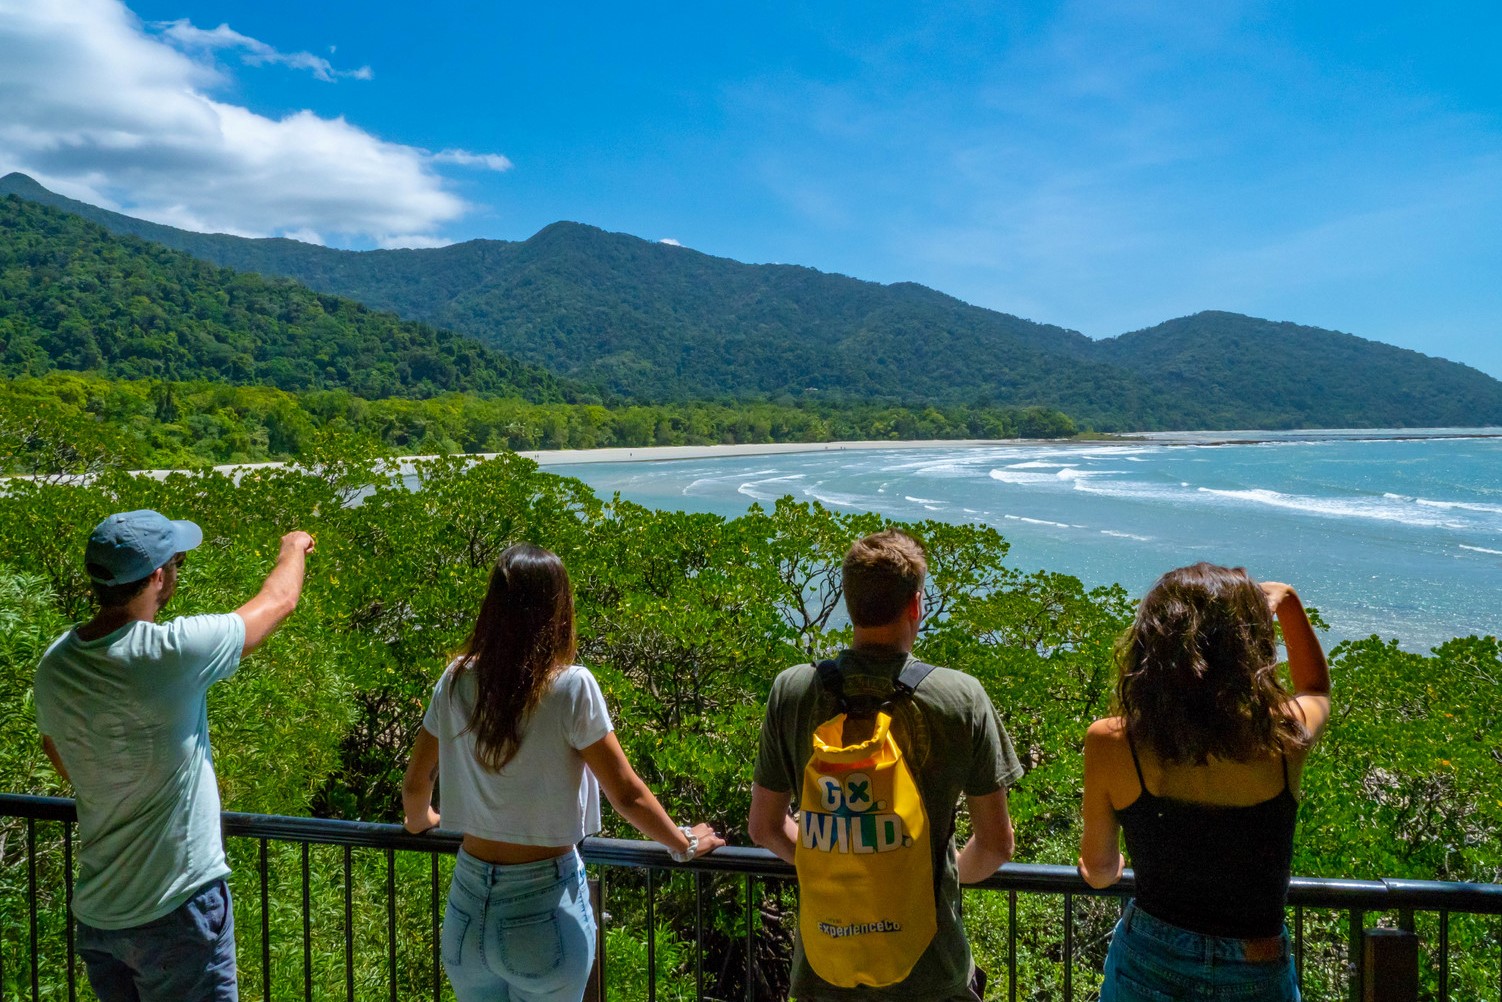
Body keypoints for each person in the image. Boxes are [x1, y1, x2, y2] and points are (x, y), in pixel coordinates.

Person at [402, 543, 724, 1002]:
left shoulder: (455, 680)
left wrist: (421, 823)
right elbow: (626, 794)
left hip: (466, 908)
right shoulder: (570, 686)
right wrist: (684, 844)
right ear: (558, 609)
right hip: (544, 902)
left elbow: (417, 783)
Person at [34, 509, 316, 1002]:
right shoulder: (172, 651)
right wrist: (293, 546)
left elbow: (57, 751)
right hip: (176, 906)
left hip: (100, 913)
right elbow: (279, 601)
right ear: (159, 577)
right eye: (176, 562)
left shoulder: (55, 665)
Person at [748, 528, 1023, 1001]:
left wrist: (841, 863)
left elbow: (765, 828)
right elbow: (996, 845)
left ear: (848, 603)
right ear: (915, 606)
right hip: (930, 972)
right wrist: (915, 871)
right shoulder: (960, 698)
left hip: (824, 967)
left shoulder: (791, 691)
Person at [1078, 563, 1332, 1001]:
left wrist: (1108, 867)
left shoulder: (1115, 741)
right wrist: (1288, 602)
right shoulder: (1283, 737)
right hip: (1257, 964)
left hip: (1149, 960)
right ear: (1250, 649)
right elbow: (1316, 688)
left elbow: (1100, 871)